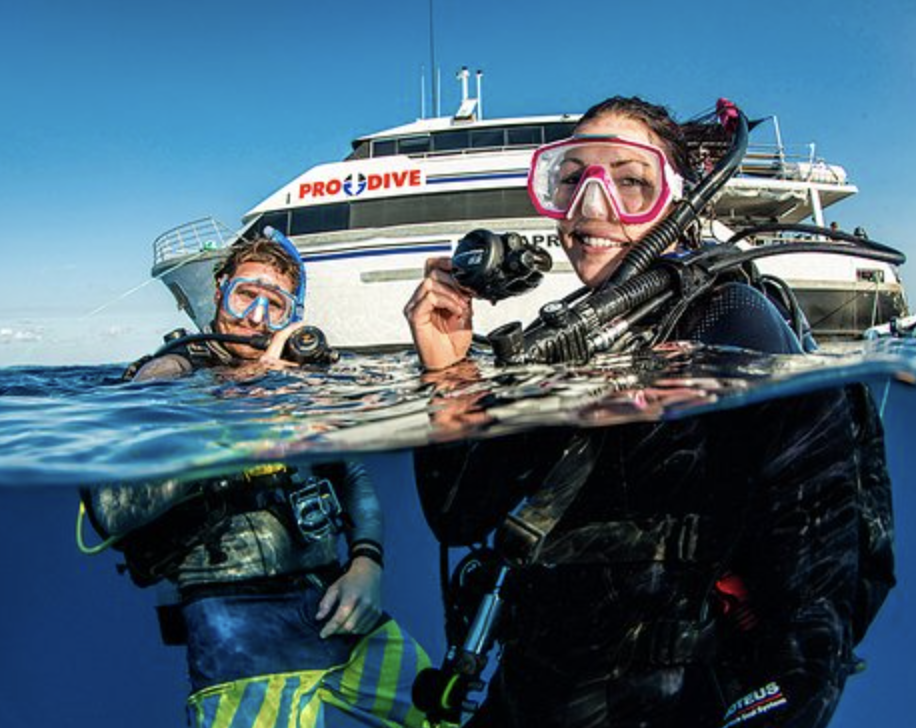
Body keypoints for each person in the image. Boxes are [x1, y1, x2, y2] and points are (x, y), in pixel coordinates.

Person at [404, 97, 895, 727]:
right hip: (531, 690)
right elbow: (458, 515)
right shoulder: (563, 347)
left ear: (679, 203)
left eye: (630, 179)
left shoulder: (731, 317)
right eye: (571, 177)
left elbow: (813, 598)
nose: (592, 202)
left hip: (660, 704)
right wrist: (447, 372)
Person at [81, 234, 430, 728]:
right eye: (247, 295)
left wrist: (367, 562)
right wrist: (239, 419)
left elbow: (351, 474)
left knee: (442, 711)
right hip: (238, 630)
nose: (255, 319)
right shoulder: (173, 373)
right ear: (220, 289)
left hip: (337, 601)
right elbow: (111, 509)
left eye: (275, 305)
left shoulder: (296, 379)